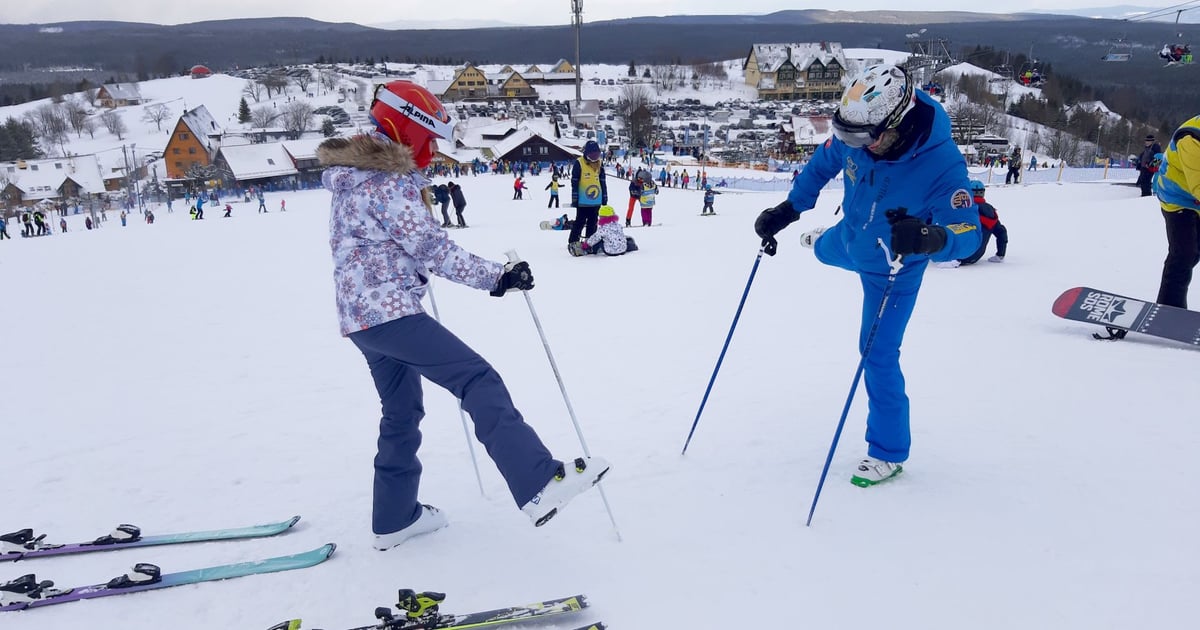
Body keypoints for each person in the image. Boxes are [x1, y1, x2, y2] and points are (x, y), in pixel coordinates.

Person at [317, 80, 610, 550]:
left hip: (361, 318)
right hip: (389, 313)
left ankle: (394, 518)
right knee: (477, 379)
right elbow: (434, 248)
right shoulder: (387, 184)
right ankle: (537, 481)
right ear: (406, 129)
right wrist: (499, 276)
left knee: (401, 409)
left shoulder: (353, 177)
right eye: (428, 138)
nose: (431, 149)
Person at [753, 64, 981, 487]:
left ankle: (889, 452)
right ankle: (821, 240)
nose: (852, 147)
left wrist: (931, 239)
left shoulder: (941, 163)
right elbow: (822, 164)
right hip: (851, 235)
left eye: (860, 139)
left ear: (896, 122)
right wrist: (790, 209)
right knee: (825, 250)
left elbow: (969, 233)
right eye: (847, 136)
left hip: (891, 268)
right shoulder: (858, 133)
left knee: (875, 352)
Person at [1153, 114, 1200, 308]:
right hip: (1177, 198)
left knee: (1193, 253)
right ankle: (1169, 308)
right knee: (1183, 253)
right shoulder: (1191, 139)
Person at [939, 180, 1008, 267]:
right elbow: (1001, 232)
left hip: (958, 256)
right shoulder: (990, 211)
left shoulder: (966, 208)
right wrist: (1000, 254)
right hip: (976, 257)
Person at [568, 140, 608, 250]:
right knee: (580, 221)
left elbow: (602, 181)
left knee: (593, 222)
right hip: (583, 201)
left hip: (596, 201)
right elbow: (574, 182)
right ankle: (573, 241)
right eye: (592, 155)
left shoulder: (599, 164)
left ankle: (590, 242)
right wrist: (575, 198)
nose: (595, 157)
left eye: (597, 154)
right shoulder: (579, 163)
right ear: (587, 153)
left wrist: (605, 196)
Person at [570, 206, 636, 256]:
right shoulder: (618, 225)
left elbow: (594, 238)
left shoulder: (603, 229)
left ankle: (589, 250)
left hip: (610, 252)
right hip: (623, 250)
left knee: (599, 240)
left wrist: (586, 244)